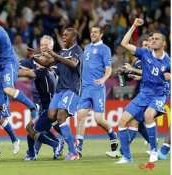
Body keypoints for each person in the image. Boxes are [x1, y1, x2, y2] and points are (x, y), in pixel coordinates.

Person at [116, 18, 170, 163]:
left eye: (156, 39)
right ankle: (127, 157)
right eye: (151, 38)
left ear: (163, 43)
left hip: (159, 94)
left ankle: (153, 151)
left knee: (148, 115)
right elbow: (124, 44)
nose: (152, 40)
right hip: (144, 93)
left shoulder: (168, 61)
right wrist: (133, 25)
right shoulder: (144, 53)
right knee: (122, 122)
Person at [31, 28, 83, 160]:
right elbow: (48, 64)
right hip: (60, 90)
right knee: (51, 115)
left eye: (66, 35)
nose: (63, 37)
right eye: (63, 34)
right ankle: (71, 140)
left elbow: (73, 64)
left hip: (72, 89)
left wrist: (55, 54)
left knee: (60, 116)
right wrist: (34, 57)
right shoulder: (62, 52)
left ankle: (73, 152)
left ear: (74, 37)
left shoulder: (77, 50)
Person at [75, 26, 118, 157]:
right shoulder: (87, 48)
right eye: (91, 32)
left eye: (95, 32)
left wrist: (104, 79)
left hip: (97, 88)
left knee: (98, 119)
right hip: (85, 88)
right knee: (80, 116)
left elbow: (109, 68)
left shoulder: (105, 49)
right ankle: (78, 149)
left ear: (101, 34)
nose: (92, 34)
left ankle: (112, 133)